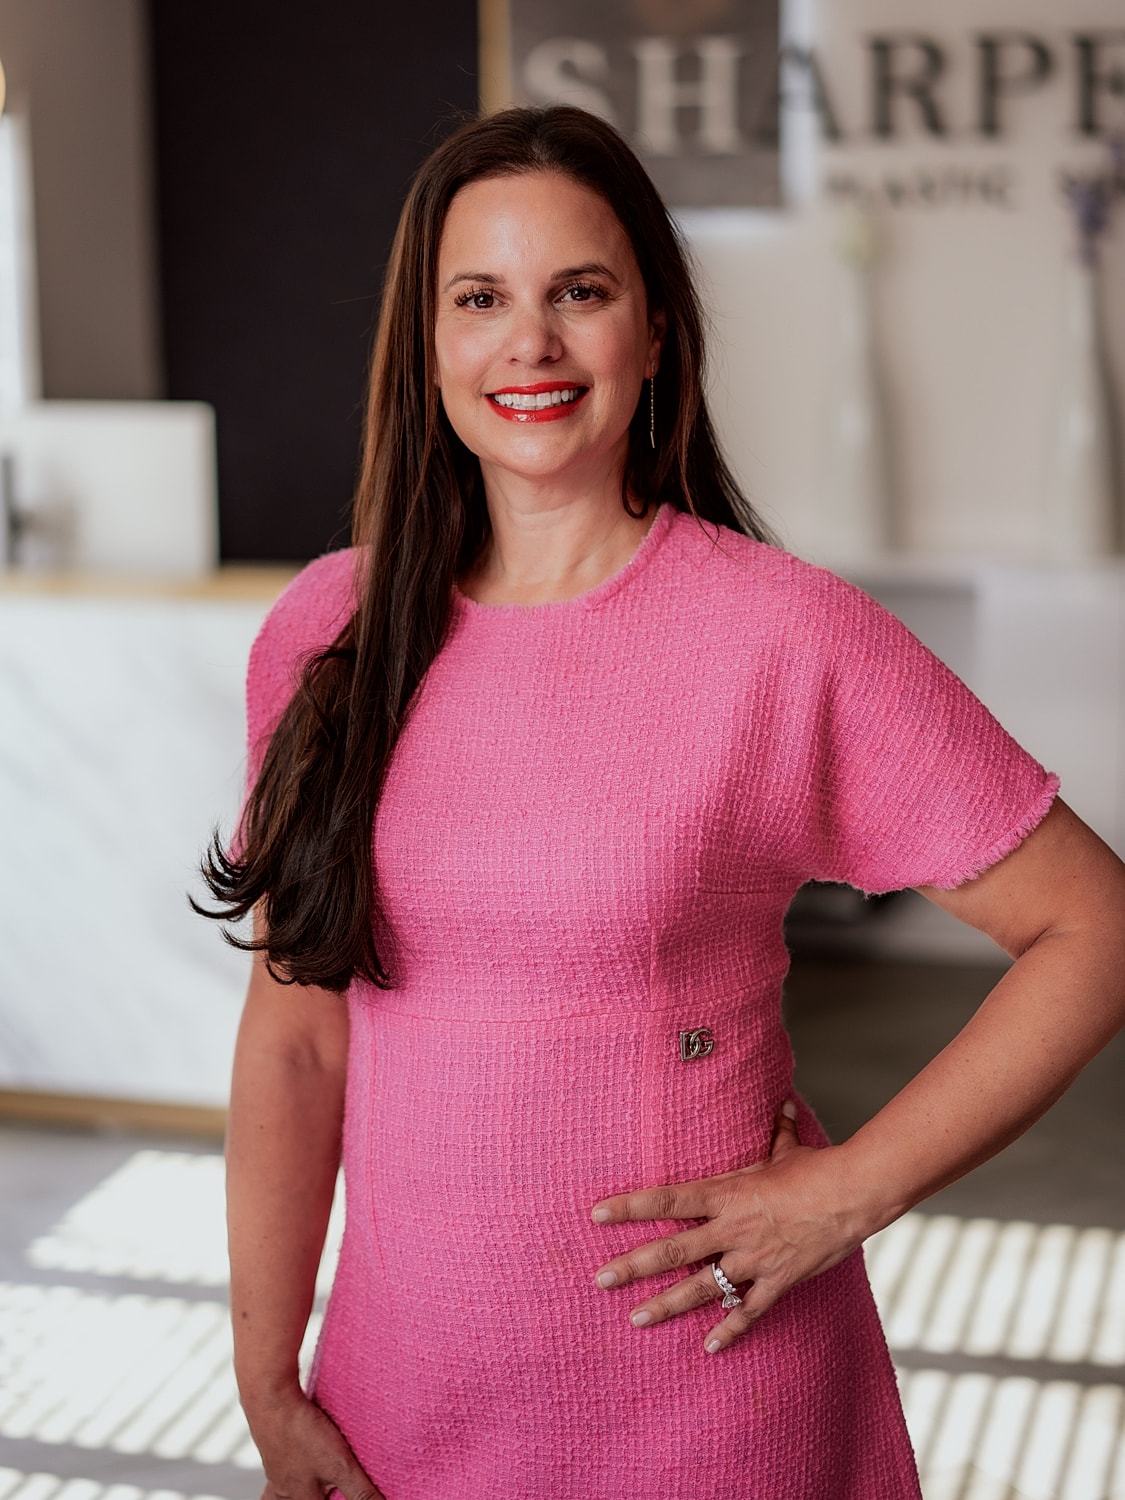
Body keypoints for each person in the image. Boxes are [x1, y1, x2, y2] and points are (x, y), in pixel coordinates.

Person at [199, 105, 1125, 1500]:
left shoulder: (779, 639)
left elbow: (1091, 926)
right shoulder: (324, 638)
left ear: (655, 329)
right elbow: (294, 1039)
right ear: (427, 340)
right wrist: (265, 1382)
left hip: (712, 1404)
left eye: (580, 291)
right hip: (403, 1401)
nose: (532, 344)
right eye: (481, 299)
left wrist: (848, 1190)